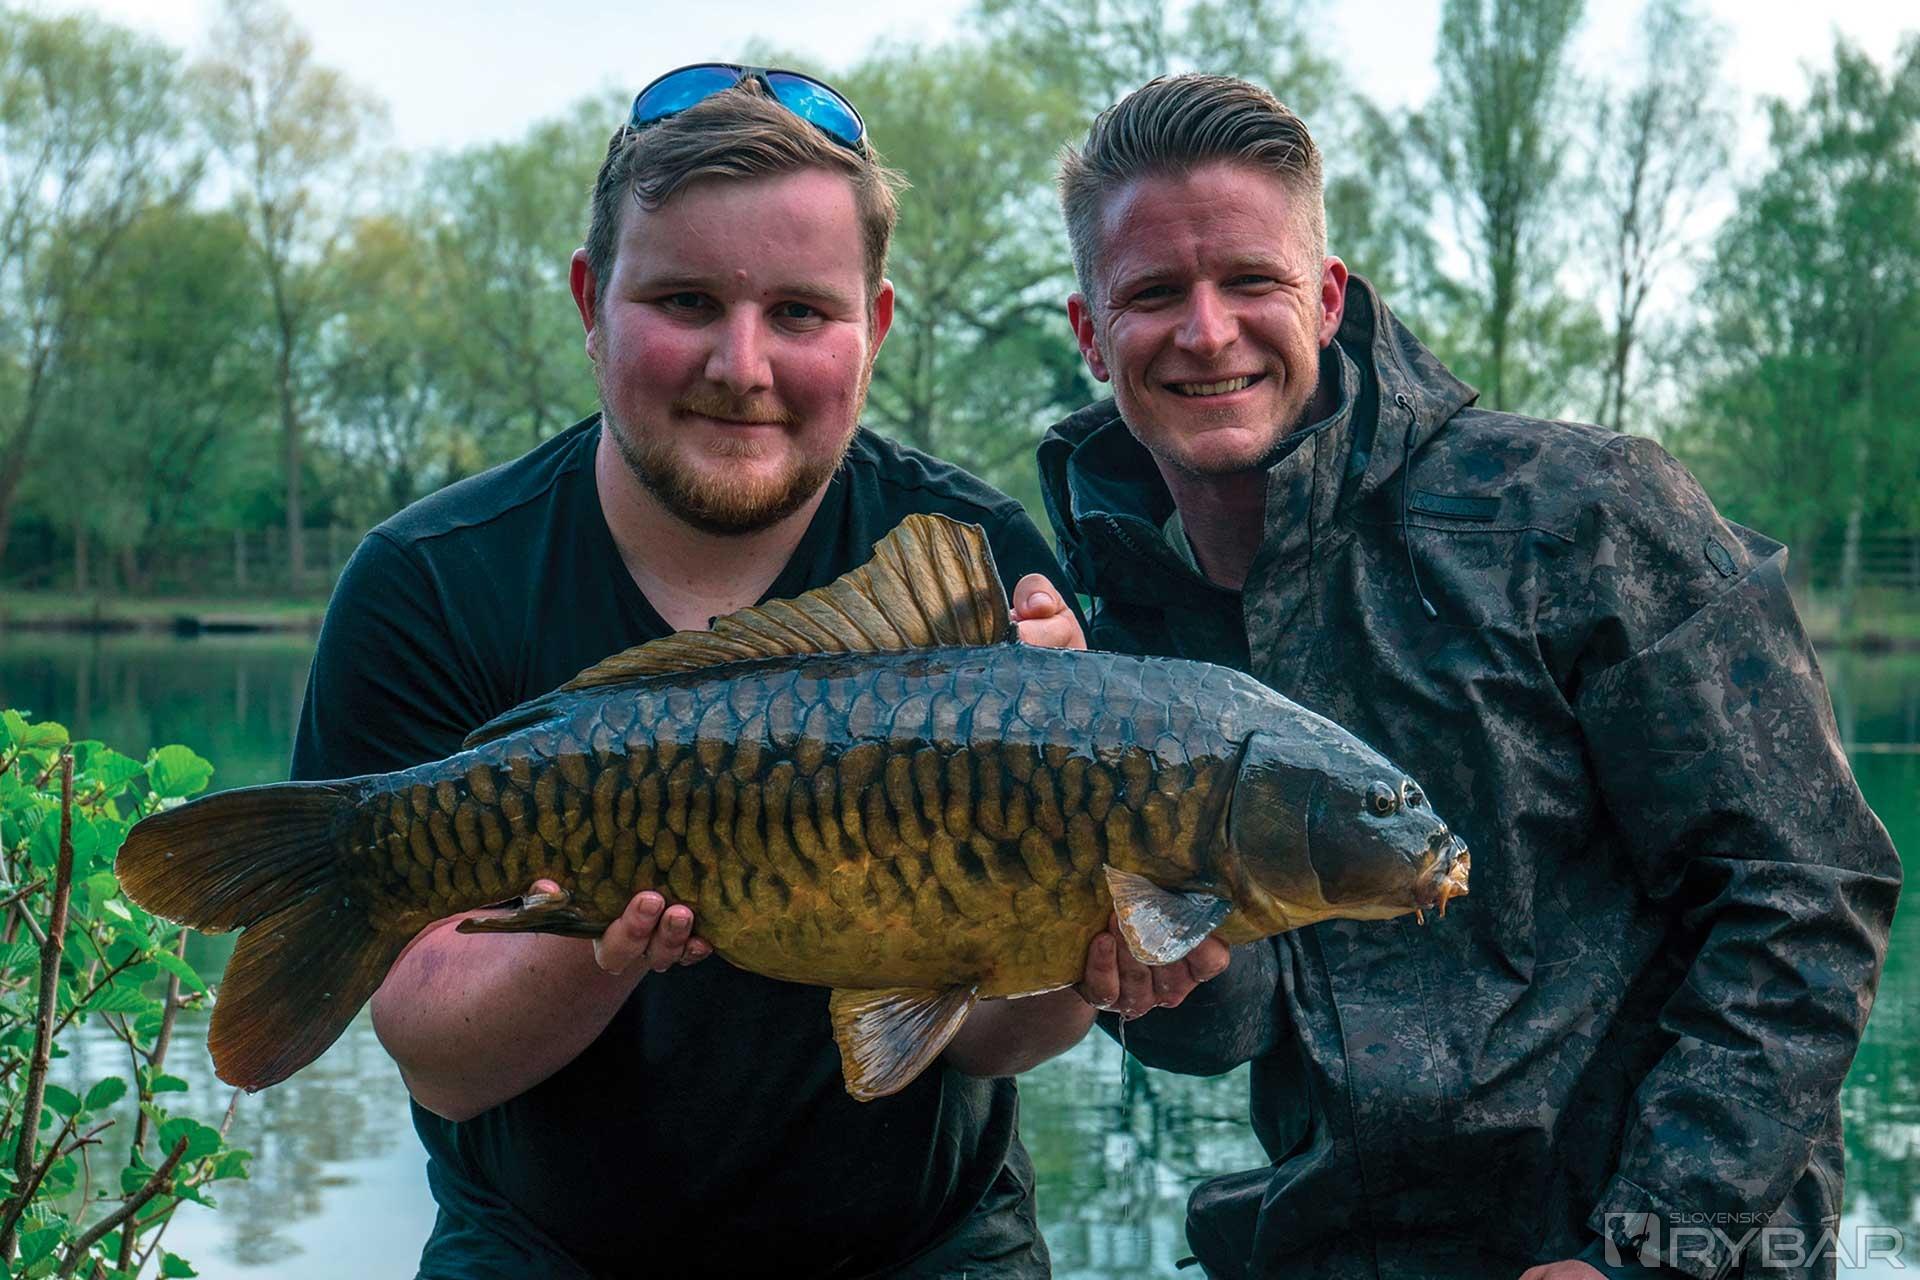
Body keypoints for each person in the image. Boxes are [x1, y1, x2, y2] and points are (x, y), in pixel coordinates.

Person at [1029, 74, 1902, 1280]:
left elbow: (1807, 891)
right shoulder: (1113, 623)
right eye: (1154, 293)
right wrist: (1175, 978)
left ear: (1327, 299)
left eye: (1251, 281)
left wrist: (1639, 1246)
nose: (1208, 330)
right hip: (1339, 1242)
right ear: (1091, 332)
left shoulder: (1582, 513)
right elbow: (1235, 1019)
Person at [292, 65, 1111, 1279]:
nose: (741, 364)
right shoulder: (430, 581)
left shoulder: (978, 567)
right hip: (546, 1248)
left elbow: (993, 1037)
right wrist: (607, 918)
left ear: (876, 328)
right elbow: (441, 1059)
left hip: (928, 1245)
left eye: (800, 313)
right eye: (685, 300)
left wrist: (1086, 927)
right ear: (591, 301)